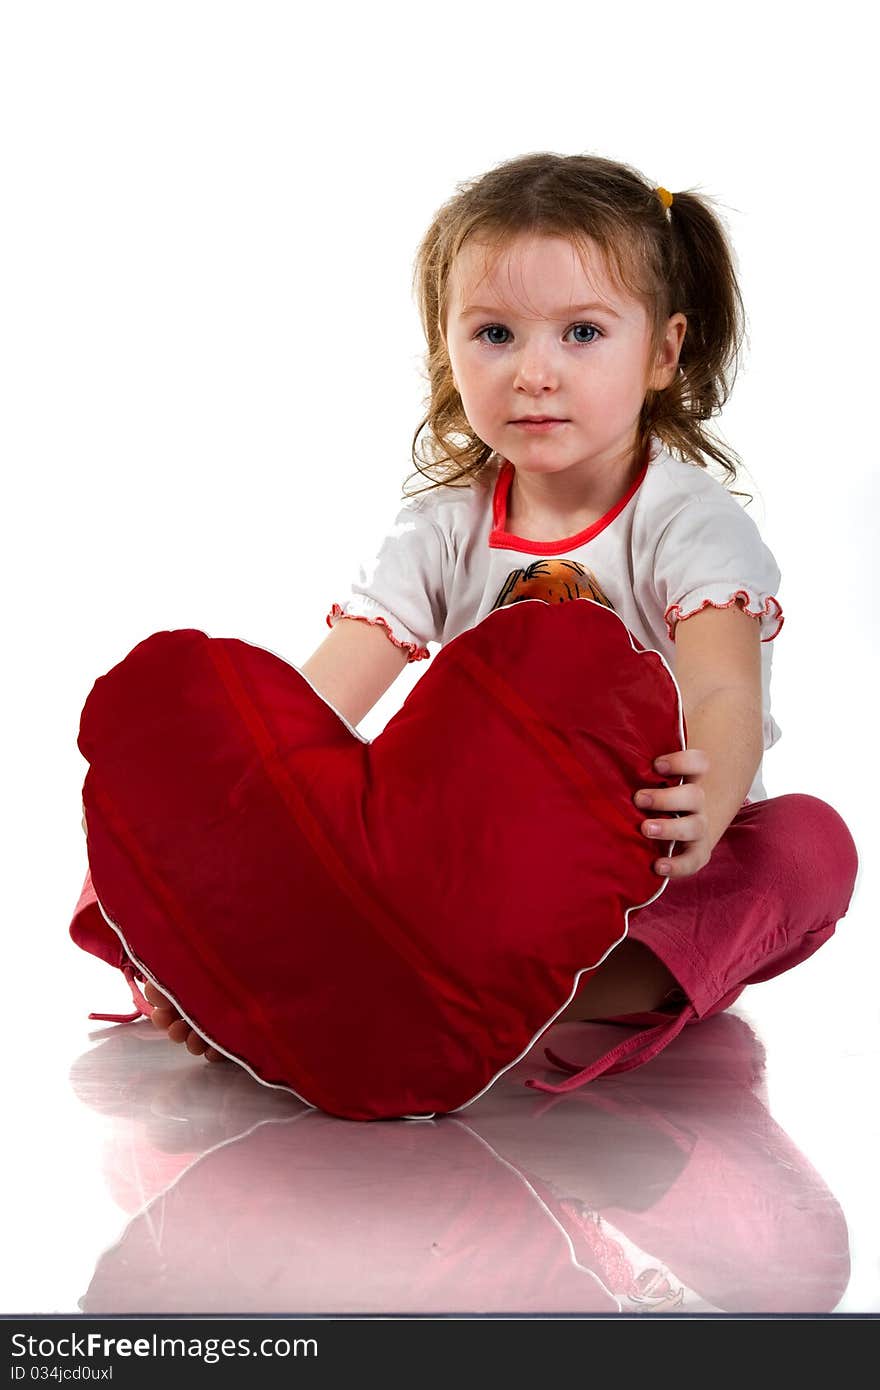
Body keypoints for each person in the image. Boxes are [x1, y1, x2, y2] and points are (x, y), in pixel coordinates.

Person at [111, 151, 859, 1077]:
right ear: (447, 347)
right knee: (219, 787)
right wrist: (226, 835)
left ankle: (525, 1000)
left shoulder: (688, 524)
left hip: (648, 862)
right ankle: (247, 974)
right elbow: (315, 703)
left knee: (805, 849)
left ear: (663, 352)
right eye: (495, 334)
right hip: (474, 870)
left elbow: (721, 687)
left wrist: (709, 796)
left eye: (582, 334)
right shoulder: (441, 530)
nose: (533, 373)